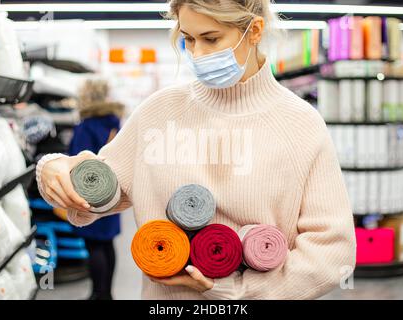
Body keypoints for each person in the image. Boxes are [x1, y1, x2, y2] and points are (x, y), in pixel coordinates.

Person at [36, 0, 356, 300]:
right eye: (188, 39)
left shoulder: (301, 125)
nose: (198, 54)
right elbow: (95, 194)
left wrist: (231, 289)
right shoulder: (158, 112)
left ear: (254, 31)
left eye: (211, 39)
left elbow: (332, 254)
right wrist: (54, 168)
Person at [68, 79, 125, 300]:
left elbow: (78, 160)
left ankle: (98, 294)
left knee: (94, 245)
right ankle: (107, 293)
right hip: (112, 190)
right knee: (107, 243)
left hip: (89, 193)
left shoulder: (87, 126)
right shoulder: (114, 123)